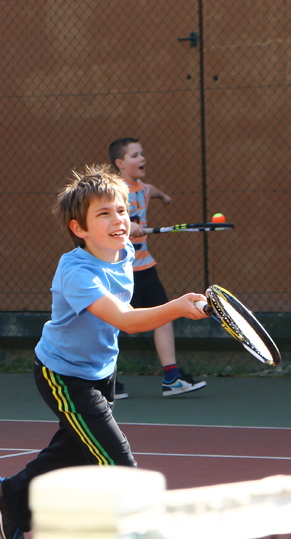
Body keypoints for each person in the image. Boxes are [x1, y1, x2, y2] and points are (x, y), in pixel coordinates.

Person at [0, 165, 208, 539]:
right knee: (119, 465)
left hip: (102, 370)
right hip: (64, 377)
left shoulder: (124, 252)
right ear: (79, 229)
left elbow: (125, 300)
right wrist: (176, 307)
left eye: (121, 210)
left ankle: (12, 496)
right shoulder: (75, 272)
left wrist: (124, 235)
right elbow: (125, 319)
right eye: (104, 214)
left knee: (74, 449)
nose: (118, 219)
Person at [108, 136, 207, 399]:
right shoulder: (115, 192)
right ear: (119, 163)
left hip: (146, 267)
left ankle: (171, 378)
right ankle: (105, 380)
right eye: (134, 155)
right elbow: (108, 219)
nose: (142, 158)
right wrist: (128, 225)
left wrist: (164, 196)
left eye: (142, 153)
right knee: (111, 326)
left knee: (164, 316)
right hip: (120, 271)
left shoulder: (141, 187)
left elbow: (149, 189)